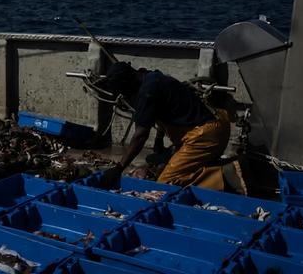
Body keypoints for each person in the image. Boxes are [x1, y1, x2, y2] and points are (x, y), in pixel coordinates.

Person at [99, 61, 246, 193]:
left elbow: (140, 135)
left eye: (122, 91)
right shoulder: (151, 77)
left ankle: (226, 175)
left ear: (127, 83)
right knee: (154, 160)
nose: (124, 96)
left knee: (166, 184)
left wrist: (119, 168)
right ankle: (214, 164)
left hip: (206, 135)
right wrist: (158, 141)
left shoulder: (146, 93)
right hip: (216, 123)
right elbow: (162, 111)